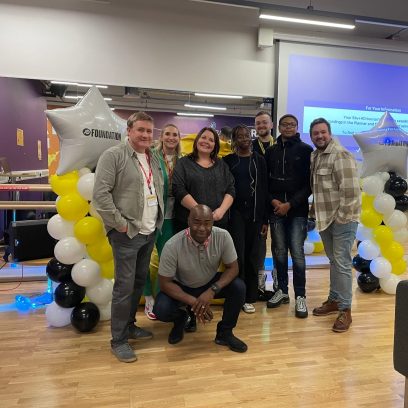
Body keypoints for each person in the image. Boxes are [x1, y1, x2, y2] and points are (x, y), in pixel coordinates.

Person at [93, 111, 164, 363]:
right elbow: (100, 195)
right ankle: (118, 340)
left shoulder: (153, 157)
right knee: (124, 287)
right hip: (127, 233)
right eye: (140, 130)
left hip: (149, 231)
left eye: (149, 131)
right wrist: (120, 224)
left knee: (137, 283)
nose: (145, 135)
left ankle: (130, 325)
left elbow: (155, 188)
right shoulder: (113, 155)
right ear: (129, 130)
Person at [153, 204, 247, 353]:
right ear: (188, 221)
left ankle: (225, 333)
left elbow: (233, 268)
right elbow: (165, 283)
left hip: (208, 283)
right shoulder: (172, 245)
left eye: (207, 223)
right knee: (161, 309)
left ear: (213, 223)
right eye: (196, 222)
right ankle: (181, 318)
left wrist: (212, 290)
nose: (202, 228)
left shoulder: (223, 236)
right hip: (182, 286)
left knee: (239, 287)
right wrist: (195, 302)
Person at [309, 117, 361, 332]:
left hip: (342, 220)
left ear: (329, 133)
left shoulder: (340, 154)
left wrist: (341, 219)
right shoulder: (315, 155)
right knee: (334, 261)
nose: (319, 136)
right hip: (325, 218)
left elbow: (351, 192)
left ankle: (345, 310)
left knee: (342, 262)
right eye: (315, 133)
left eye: (323, 132)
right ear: (311, 136)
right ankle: (334, 300)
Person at [265, 114, 313, 318]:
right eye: (284, 125)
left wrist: (290, 204)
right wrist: (274, 202)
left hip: (298, 211)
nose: (288, 128)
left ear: (297, 127)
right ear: (278, 127)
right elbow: (265, 183)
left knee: (297, 253)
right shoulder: (271, 151)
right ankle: (282, 291)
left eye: (292, 125)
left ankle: (300, 296)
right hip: (276, 210)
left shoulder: (306, 150)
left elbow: (309, 185)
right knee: (279, 252)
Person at [223, 124, 268, 314]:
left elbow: (264, 189)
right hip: (236, 215)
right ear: (234, 140)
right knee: (238, 256)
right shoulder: (228, 161)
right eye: (240, 136)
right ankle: (238, 296)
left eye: (247, 135)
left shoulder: (259, 160)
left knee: (253, 256)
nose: (244, 139)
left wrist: (265, 219)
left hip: (256, 215)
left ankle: (251, 296)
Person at [143, 124, 181, 320]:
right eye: (167, 134)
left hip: (171, 218)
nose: (171, 138)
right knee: (144, 258)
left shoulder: (182, 160)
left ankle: (160, 297)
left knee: (166, 260)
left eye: (175, 135)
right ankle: (147, 296)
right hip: (151, 215)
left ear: (179, 138)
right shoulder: (151, 157)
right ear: (162, 136)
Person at [172, 127, 235, 232]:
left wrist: (221, 210)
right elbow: (178, 189)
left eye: (211, 140)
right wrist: (201, 212)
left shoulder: (221, 164)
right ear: (197, 140)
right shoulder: (183, 163)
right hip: (189, 225)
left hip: (218, 225)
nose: (206, 142)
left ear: (215, 145)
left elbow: (231, 188)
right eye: (203, 137)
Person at [252, 111, 276, 300]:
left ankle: (279, 283)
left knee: (280, 247)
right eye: (258, 123)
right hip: (259, 204)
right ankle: (259, 283)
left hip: (279, 204)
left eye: (264, 122)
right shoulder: (251, 147)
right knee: (259, 246)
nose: (261, 126)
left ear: (271, 125)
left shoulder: (280, 145)